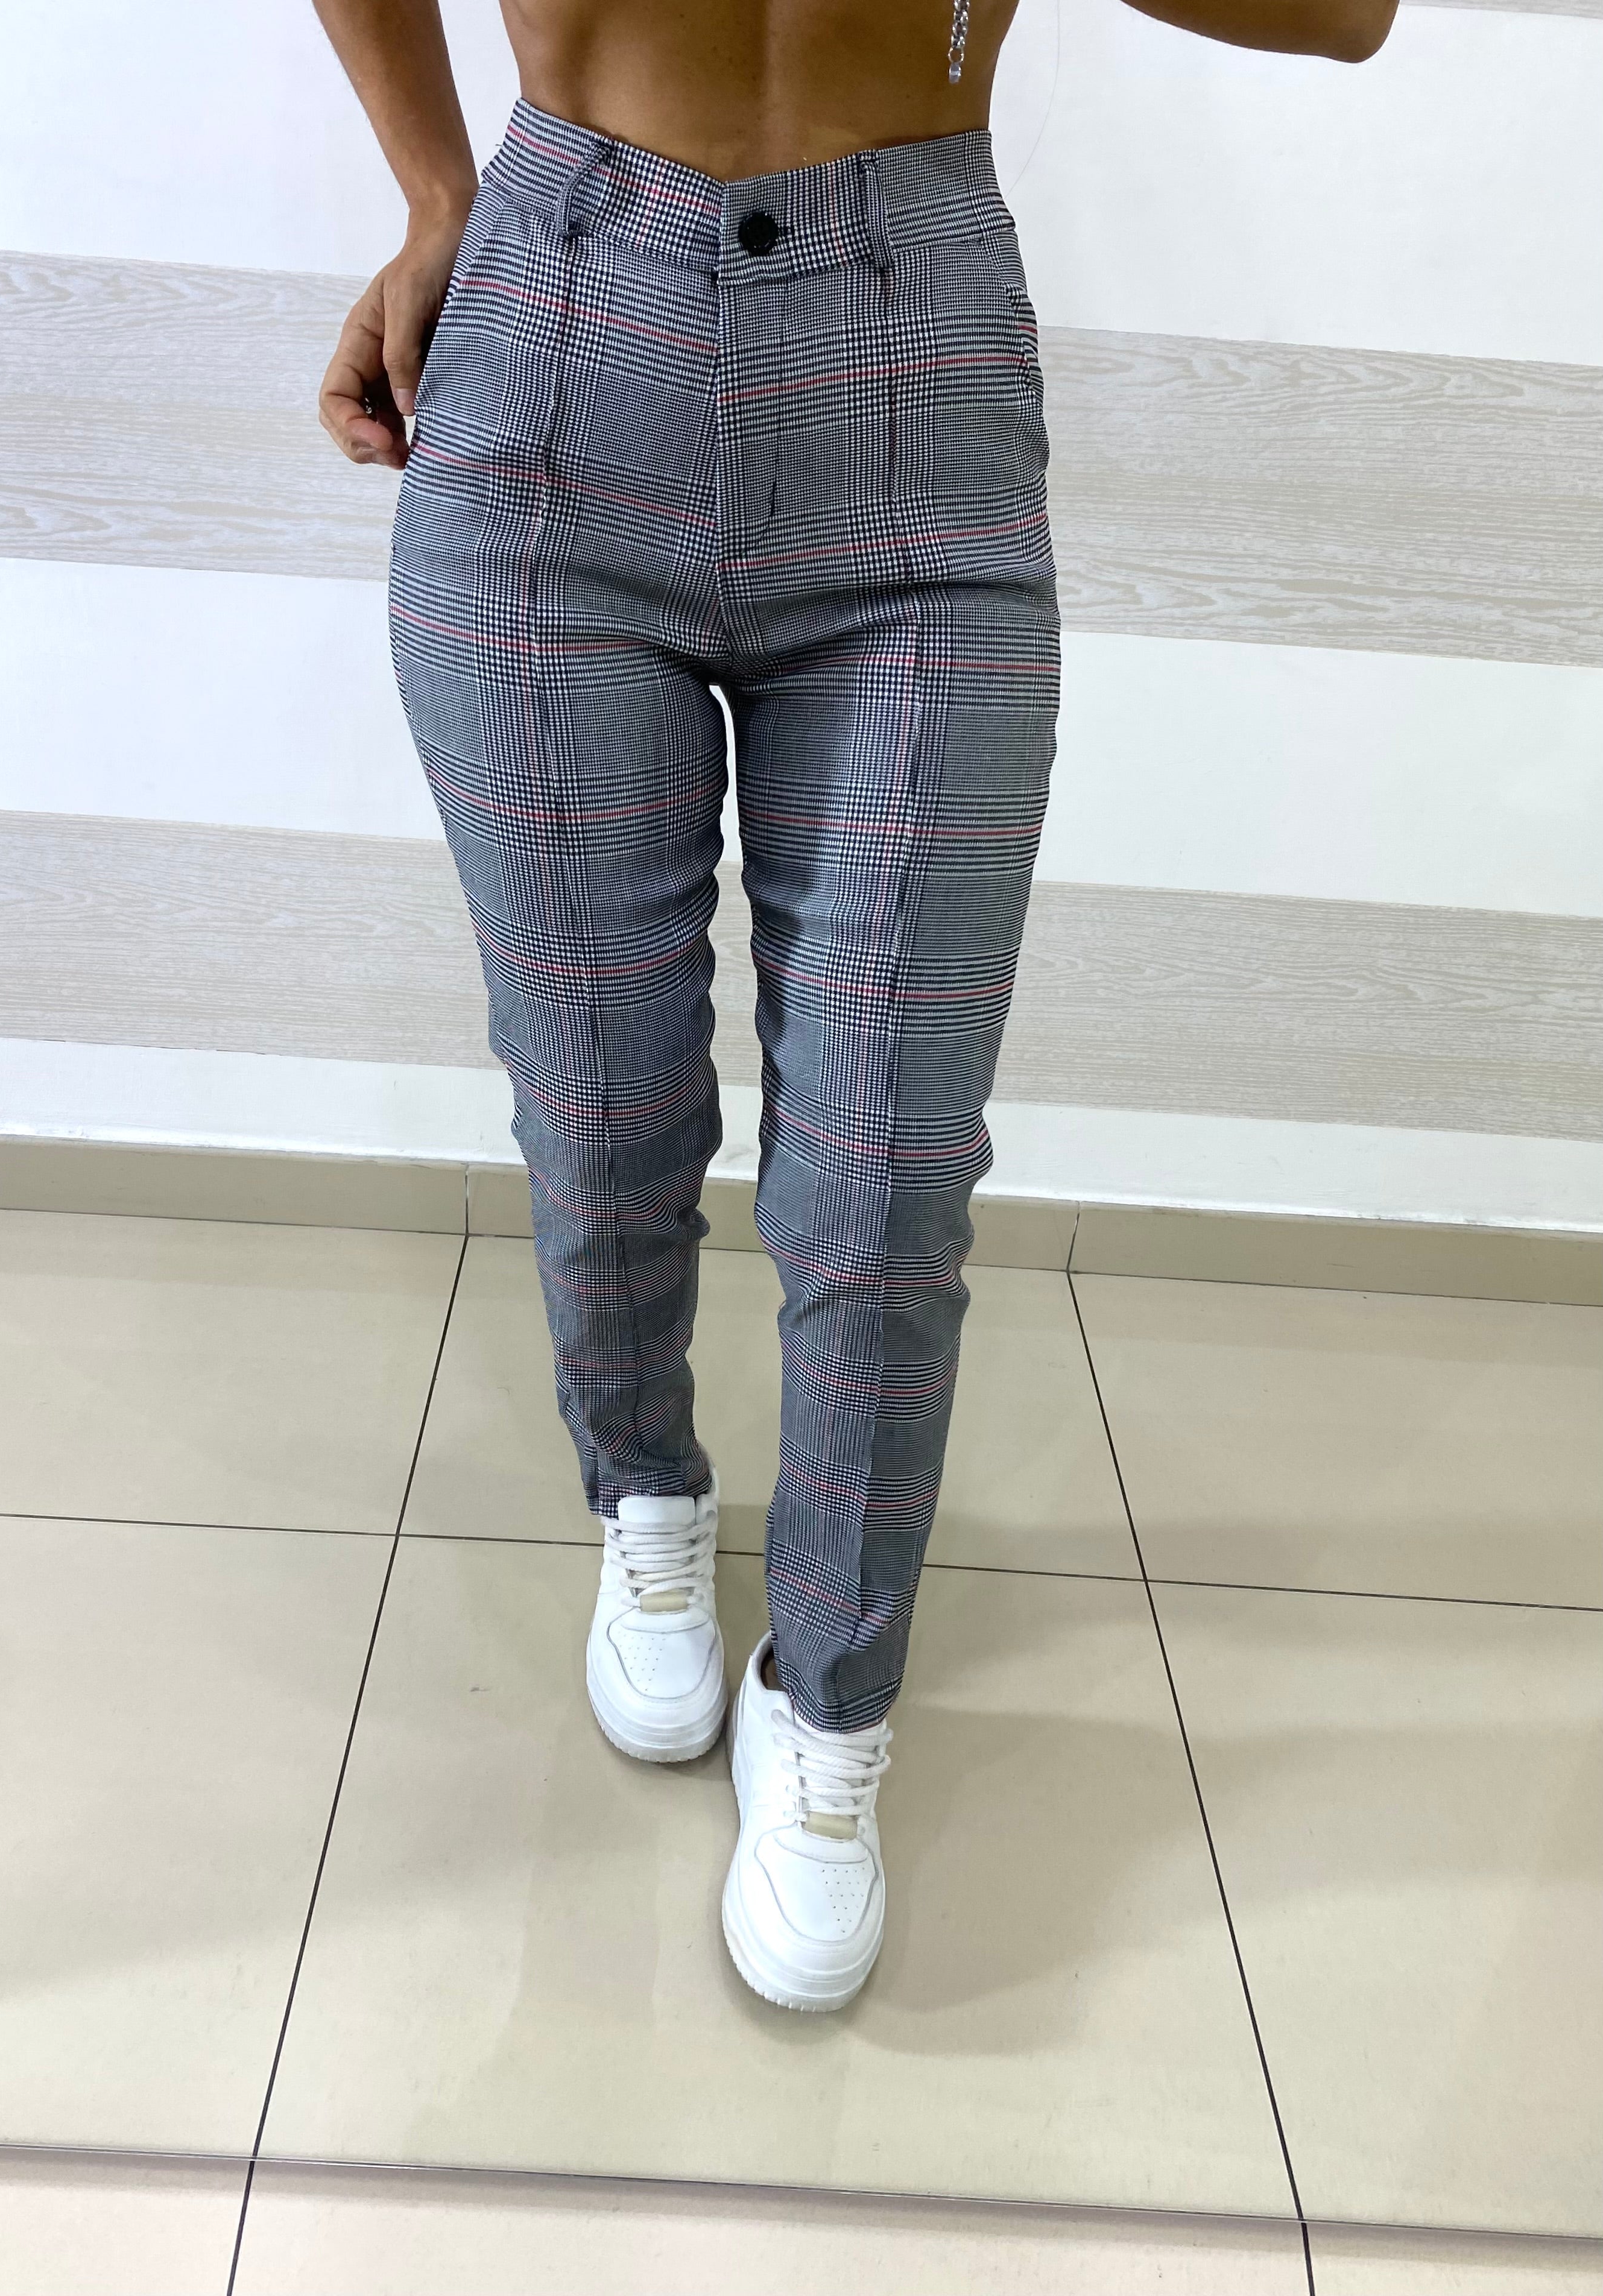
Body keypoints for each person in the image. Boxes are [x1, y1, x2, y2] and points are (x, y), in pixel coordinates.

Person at [312, 0, 1396, 2012]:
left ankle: (828, 1709)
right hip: (556, 360)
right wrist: (435, 188)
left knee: (885, 1175)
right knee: (603, 1095)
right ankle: (650, 1490)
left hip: (917, 387)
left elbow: (1348, 15)